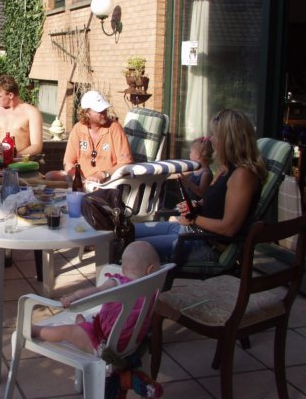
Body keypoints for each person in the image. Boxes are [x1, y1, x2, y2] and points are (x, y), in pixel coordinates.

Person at [135, 109, 267, 262]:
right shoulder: (226, 168)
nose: (211, 139)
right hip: (191, 231)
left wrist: (193, 219)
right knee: (129, 232)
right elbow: (218, 202)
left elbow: (228, 228)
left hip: (205, 244)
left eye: (215, 135)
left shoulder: (242, 175)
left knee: (136, 249)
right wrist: (196, 204)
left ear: (228, 140)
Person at [32, 241, 161, 353]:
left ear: (123, 269)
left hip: (104, 343)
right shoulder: (153, 289)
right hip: (131, 343)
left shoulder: (117, 283)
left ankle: (37, 331)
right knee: (87, 328)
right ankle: (83, 325)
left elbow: (95, 291)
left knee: (66, 331)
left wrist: (74, 297)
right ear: (150, 270)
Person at [46, 90, 133, 185]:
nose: (104, 113)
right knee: (50, 176)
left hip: (106, 182)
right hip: (82, 179)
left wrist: (104, 174)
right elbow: (68, 161)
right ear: (87, 113)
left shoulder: (115, 128)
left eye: (104, 109)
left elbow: (125, 163)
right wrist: (75, 176)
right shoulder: (78, 128)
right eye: (99, 110)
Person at [0, 75, 43, 157]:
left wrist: (14, 156)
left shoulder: (31, 112)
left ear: (10, 95)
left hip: (20, 161)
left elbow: (37, 146)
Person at [173, 136, 213, 201]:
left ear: (198, 155)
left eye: (191, 152)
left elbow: (201, 193)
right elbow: (182, 175)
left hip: (197, 205)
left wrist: (188, 181)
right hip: (189, 201)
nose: (189, 154)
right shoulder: (195, 168)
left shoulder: (206, 173)